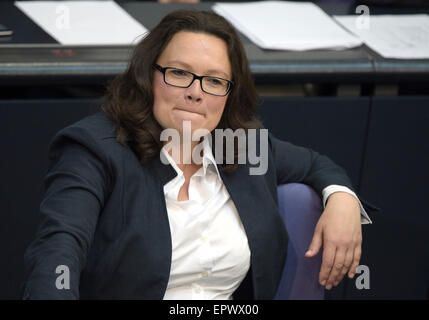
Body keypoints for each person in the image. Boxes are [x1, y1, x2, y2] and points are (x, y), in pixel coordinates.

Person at [22, 10, 376, 300]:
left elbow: (316, 165)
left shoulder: (242, 148)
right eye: (179, 73)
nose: (195, 93)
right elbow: (58, 249)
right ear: (149, 76)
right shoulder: (96, 150)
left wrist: (342, 199)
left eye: (214, 80)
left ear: (229, 92)